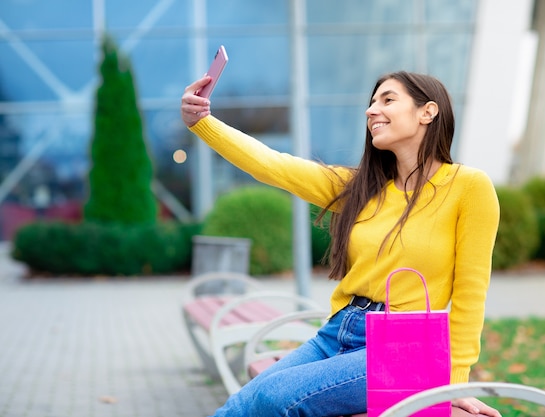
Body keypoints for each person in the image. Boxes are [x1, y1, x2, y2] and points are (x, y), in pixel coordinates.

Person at [181, 70, 501, 417]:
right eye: (372, 101)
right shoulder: (361, 186)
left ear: (428, 112)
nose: (371, 110)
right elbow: (273, 166)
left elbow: (471, 292)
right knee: (245, 402)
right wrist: (203, 123)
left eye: (388, 99)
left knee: (273, 397)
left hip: (407, 349)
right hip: (341, 330)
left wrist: (456, 381)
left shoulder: (469, 187)